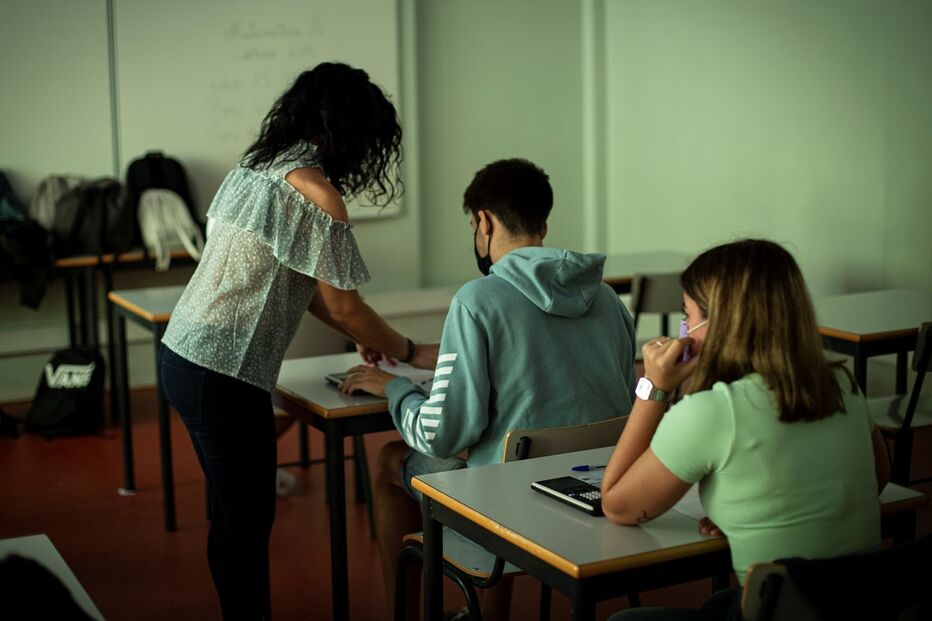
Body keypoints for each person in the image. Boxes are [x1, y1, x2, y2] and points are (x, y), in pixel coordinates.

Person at [158, 62, 432, 620]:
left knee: (234, 514)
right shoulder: (316, 193)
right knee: (246, 519)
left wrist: (357, 333)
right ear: (352, 133)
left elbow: (306, 291)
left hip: (182, 357)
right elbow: (343, 304)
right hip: (222, 372)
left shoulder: (253, 170)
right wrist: (408, 350)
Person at [340, 158, 638, 620]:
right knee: (497, 451)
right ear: (543, 222)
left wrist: (397, 389)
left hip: (508, 507)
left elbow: (442, 436)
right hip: (595, 494)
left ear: (483, 221)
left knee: (388, 462)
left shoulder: (477, 300)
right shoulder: (605, 300)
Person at [599, 239, 891, 620]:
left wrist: (655, 388)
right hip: (857, 606)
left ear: (720, 323)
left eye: (687, 314)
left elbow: (617, 505)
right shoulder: (841, 383)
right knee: (718, 603)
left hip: (778, 612)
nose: (683, 328)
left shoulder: (712, 411)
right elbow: (879, 476)